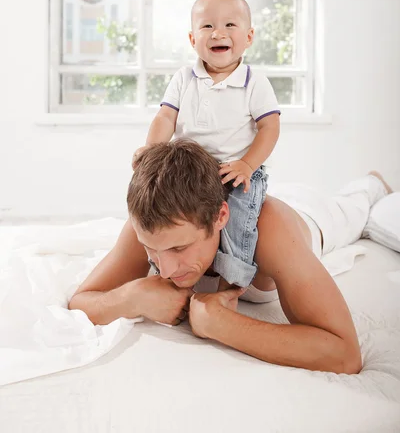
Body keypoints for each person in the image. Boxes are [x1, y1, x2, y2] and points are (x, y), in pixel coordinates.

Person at [69, 139, 393, 374]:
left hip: (314, 218)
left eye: (179, 249)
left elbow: (344, 355)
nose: (164, 269)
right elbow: (81, 300)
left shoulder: (271, 229)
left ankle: (372, 183)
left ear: (220, 217)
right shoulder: (154, 223)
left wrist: (221, 324)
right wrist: (132, 296)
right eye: (152, 250)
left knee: (355, 205)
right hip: (242, 192)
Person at [133, 0, 281, 290]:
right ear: (192, 39)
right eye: (207, 26)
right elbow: (165, 118)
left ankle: (231, 286)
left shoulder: (254, 82)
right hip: (187, 174)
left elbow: (270, 128)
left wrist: (247, 164)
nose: (218, 33)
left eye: (230, 25)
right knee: (158, 212)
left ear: (249, 37)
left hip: (233, 170)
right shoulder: (184, 78)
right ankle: (162, 271)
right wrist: (151, 150)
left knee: (238, 222)